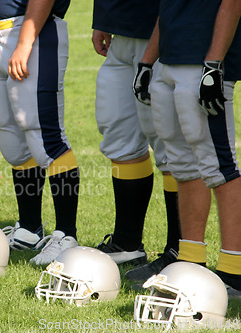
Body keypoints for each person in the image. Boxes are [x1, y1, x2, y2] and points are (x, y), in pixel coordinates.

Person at [134, 0, 241, 292]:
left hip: (204, 61)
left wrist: (214, 63)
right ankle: (192, 260)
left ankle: (235, 270)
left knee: (219, 165)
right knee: (181, 164)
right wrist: (147, 60)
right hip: (168, 60)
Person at [0, 0, 79, 265]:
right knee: (13, 141)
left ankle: (66, 234)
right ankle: (29, 228)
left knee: (46, 139)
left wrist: (25, 42)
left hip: (35, 30)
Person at [90, 0, 181, 281]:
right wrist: (103, 16)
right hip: (121, 33)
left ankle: (180, 249)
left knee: (170, 145)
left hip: (163, 34)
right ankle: (127, 243)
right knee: (118, 135)